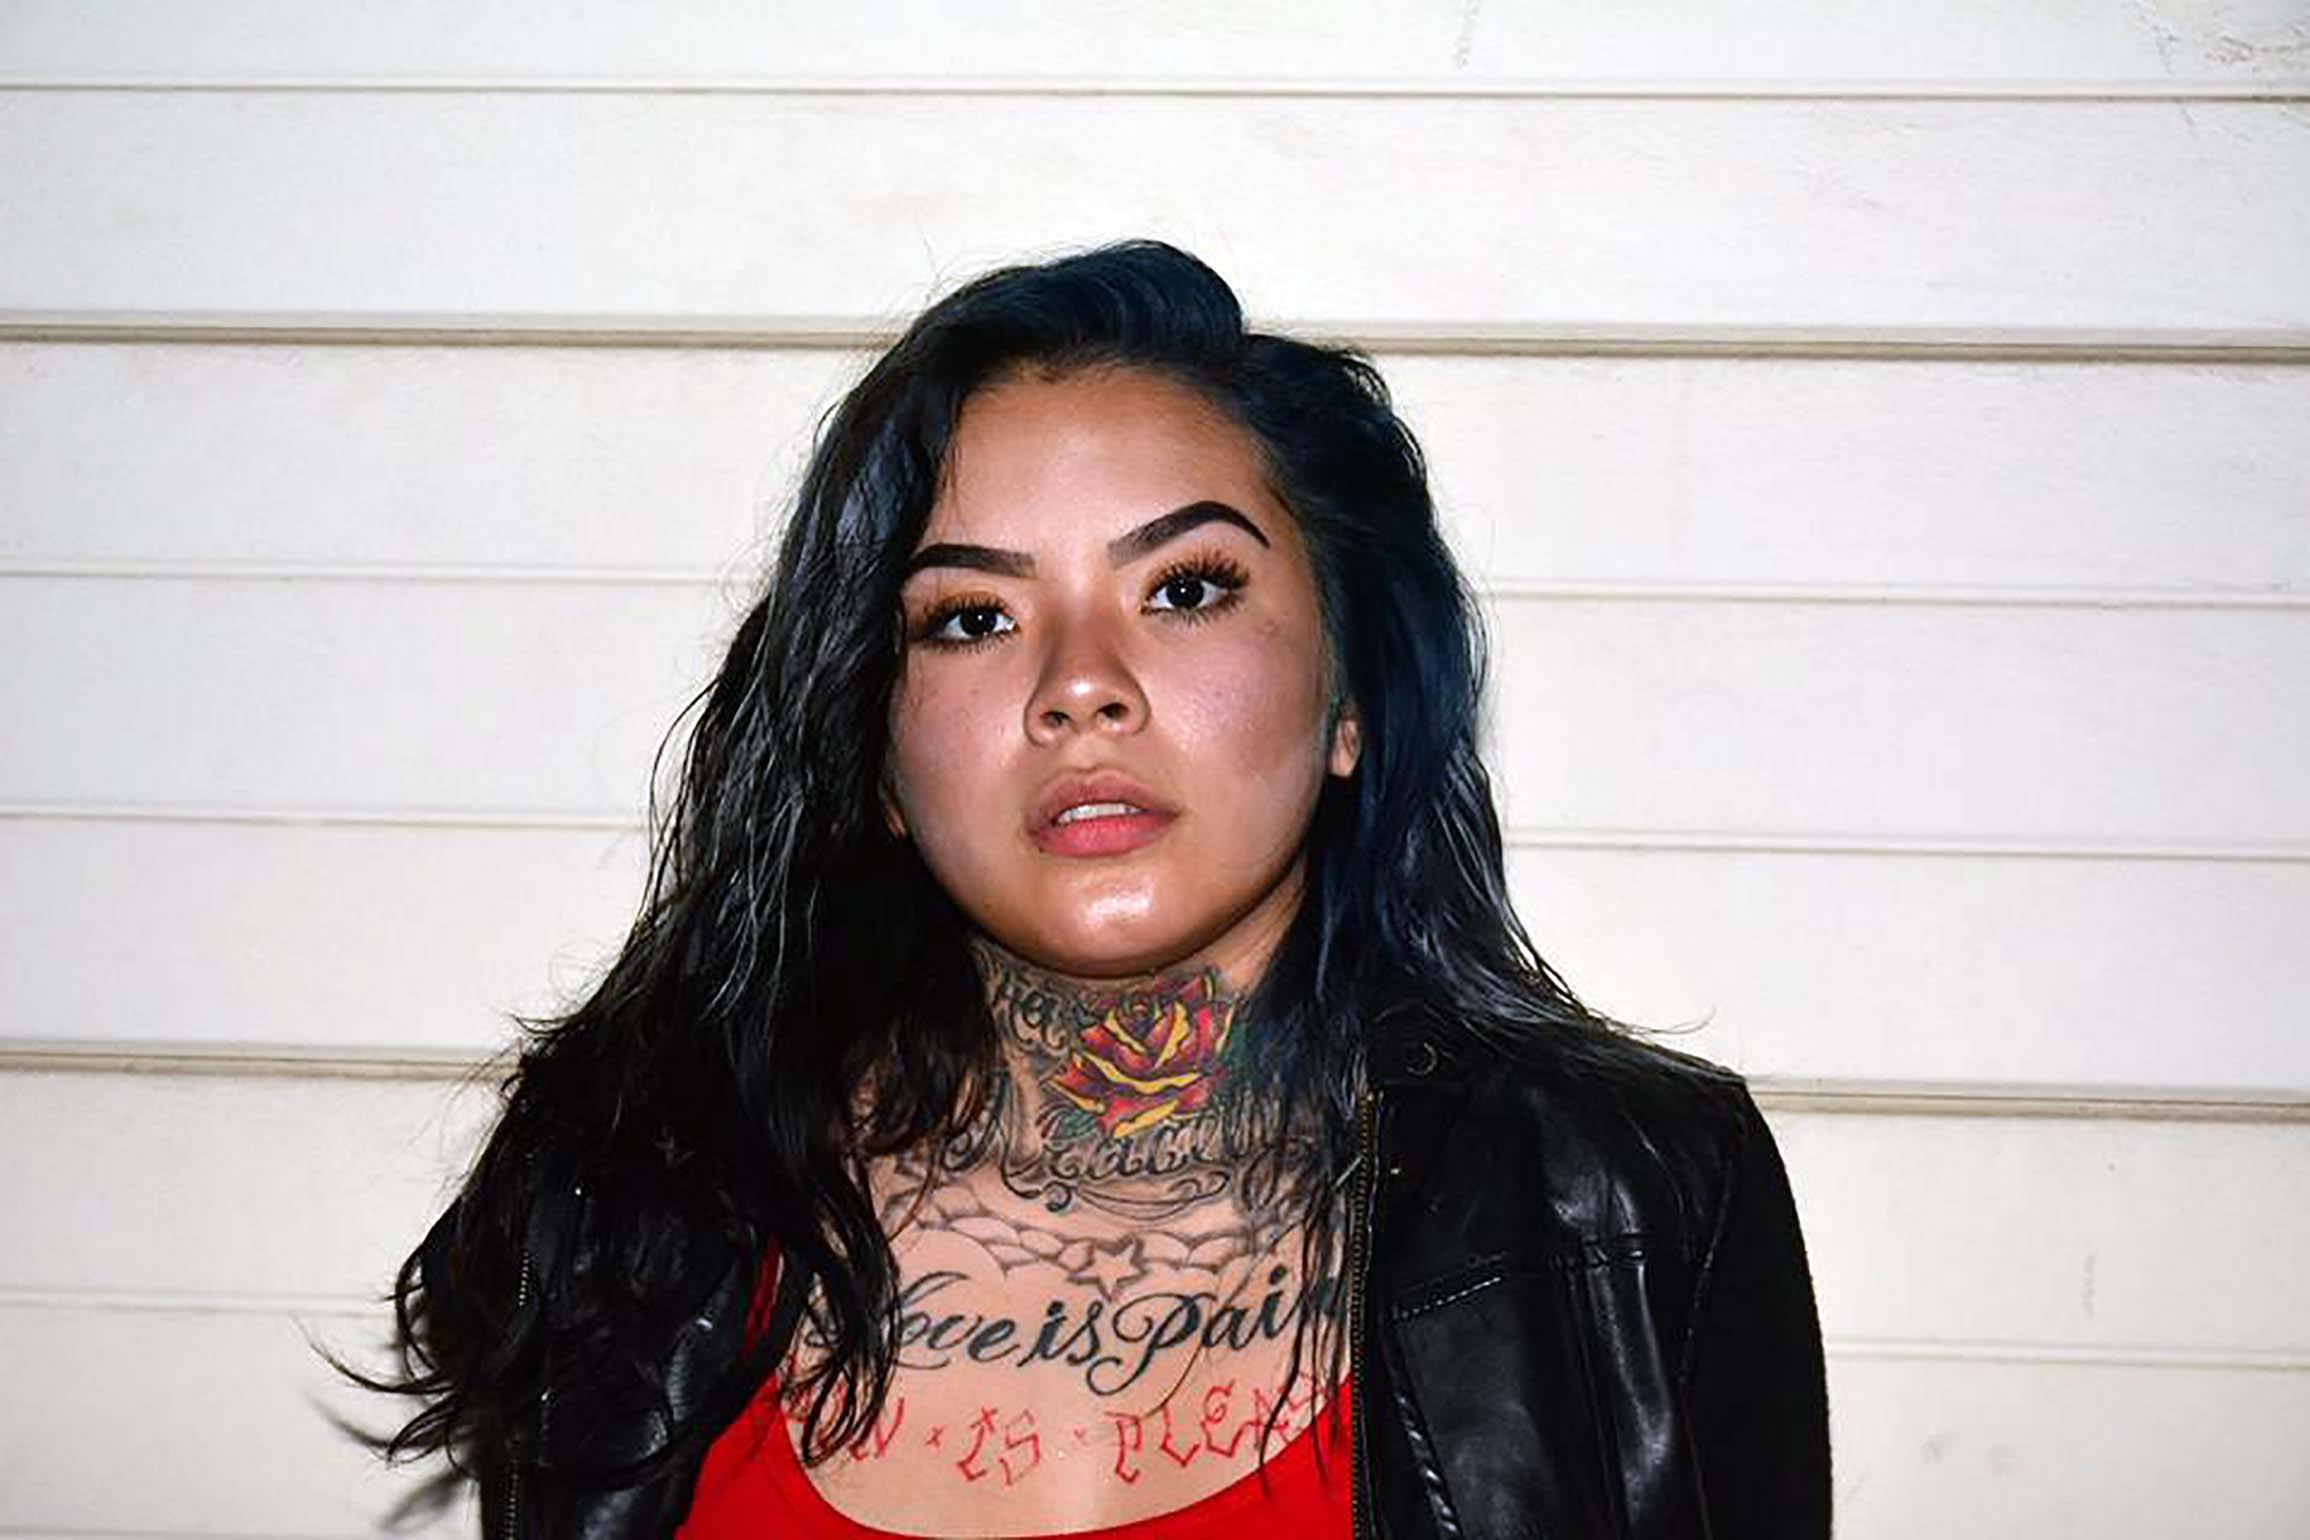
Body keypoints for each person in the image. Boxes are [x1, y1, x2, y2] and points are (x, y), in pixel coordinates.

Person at [360, 240, 1831, 1538]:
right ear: (876, 753)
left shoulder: (1626, 1200)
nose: (1079, 686)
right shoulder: (641, 1192)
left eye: (1184, 589)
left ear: (1351, 698)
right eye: (972, 617)